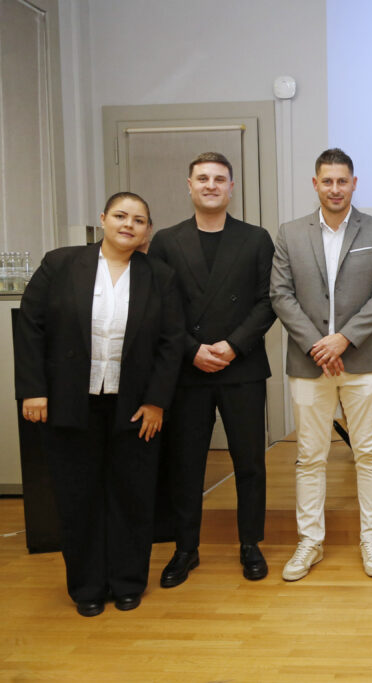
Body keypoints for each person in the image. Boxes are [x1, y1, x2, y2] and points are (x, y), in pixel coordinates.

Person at [15, 192, 183, 616]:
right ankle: (87, 587)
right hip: (69, 403)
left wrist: (156, 402)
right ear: (103, 219)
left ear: (148, 230)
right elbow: (31, 327)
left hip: (135, 408)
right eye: (121, 216)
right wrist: (33, 389)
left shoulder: (160, 276)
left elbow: (170, 343)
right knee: (78, 497)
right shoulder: (60, 264)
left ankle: (127, 582)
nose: (129, 225)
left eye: (139, 220)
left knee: (132, 495)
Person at [270, 148, 372, 579]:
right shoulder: (290, 233)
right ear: (315, 184)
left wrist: (343, 339)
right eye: (327, 181)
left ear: (354, 183)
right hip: (309, 364)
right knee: (310, 456)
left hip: (364, 361)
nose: (335, 188)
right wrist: (317, 345)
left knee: (369, 453)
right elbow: (280, 294)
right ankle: (310, 542)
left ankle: (371, 539)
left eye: (342, 180)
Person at [149, 152, 276, 587]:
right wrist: (192, 349)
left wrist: (233, 345)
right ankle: (185, 548)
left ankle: (250, 544)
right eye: (202, 178)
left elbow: (268, 301)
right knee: (186, 464)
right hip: (188, 371)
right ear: (189, 186)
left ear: (231, 188)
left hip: (242, 368)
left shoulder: (256, 238)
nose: (210, 185)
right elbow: (158, 307)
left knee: (250, 462)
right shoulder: (167, 241)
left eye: (219, 179)